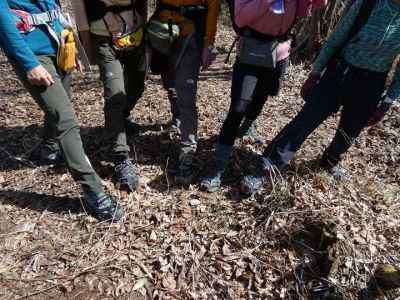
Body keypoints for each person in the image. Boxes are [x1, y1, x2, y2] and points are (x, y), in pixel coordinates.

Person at [240, 0, 400, 196]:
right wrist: (315, 73)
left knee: (350, 130)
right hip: (340, 73)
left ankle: (330, 162)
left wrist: (387, 101)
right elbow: (336, 38)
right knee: (306, 120)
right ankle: (266, 168)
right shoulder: (368, 5)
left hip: (372, 84)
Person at [0, 0, 124, 221]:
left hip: (58, 47)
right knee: (65, 120)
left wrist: (70, 42)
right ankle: (93, 191)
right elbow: (5, 28)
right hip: (34, 54)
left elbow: (53, 9)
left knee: (59, 106)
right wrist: (29, 64)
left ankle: (49, 149)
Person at [200, 0, 326, 192]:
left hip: (279, 53)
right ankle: (217, 168)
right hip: (250, 51)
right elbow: (241, 19)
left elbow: (308, 9)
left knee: (262, 97)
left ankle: (248, 127)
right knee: (238, 108)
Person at [71, 0, 148, 193]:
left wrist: (145, 28)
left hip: (134, 34)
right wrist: (86, 48)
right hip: (103, 38)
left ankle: (119, 119)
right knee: (115, 95)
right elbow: (80, 12)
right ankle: (120, 156)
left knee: (137, 86)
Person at [149, 0, 219, 184]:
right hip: (161, 33)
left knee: (187, 96)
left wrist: (208, 43)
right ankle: (177, 116)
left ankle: (187, 154)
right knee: (169, 84)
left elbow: (213, 6)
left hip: (191, 35)